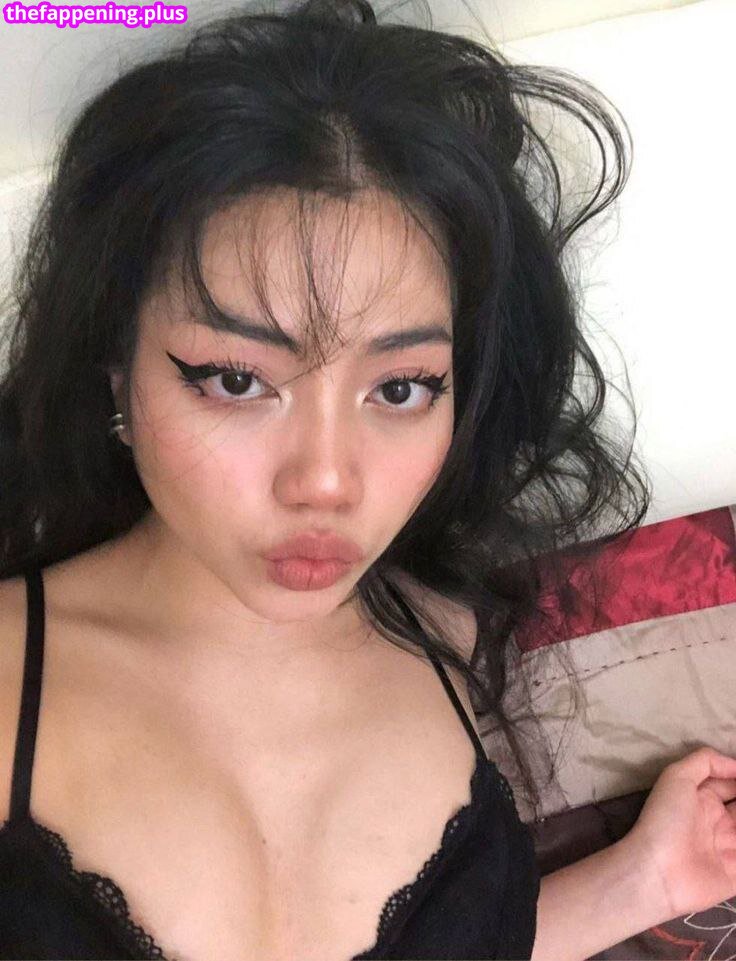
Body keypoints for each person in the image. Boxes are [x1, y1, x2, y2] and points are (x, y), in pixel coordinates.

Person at [2, 1, 736, 959]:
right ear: (116, 373)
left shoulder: (444, 634)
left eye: (399, 387)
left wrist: (646, 879)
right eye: (237, 380)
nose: (326, 481)